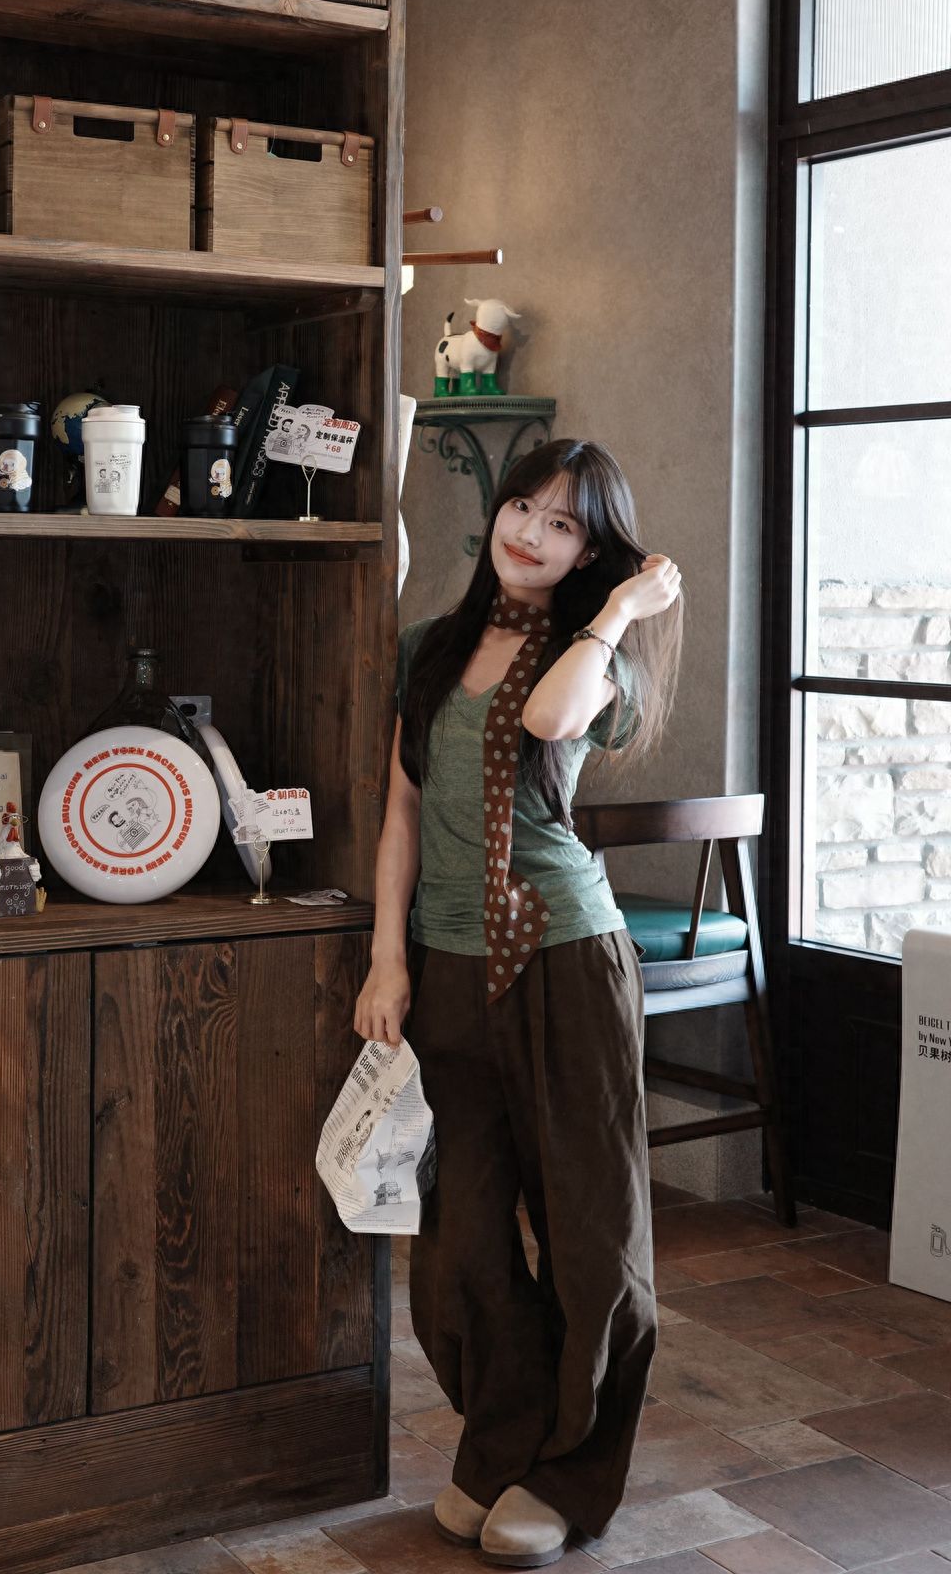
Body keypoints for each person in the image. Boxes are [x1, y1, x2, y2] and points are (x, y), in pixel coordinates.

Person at [355, 437, 683, 1567]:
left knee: (591, 1236)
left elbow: (546, 725)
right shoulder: (428, 648)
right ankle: (498, 1448)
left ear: (592, 551)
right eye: (520, 507)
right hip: (445, 967)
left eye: (562, 525)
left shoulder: (601, 663)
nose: (528, 533)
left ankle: (570, 1474)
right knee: (461, 1243)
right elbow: (399, 816)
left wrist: (620, 608)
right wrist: (384, 961)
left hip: (564, 961)